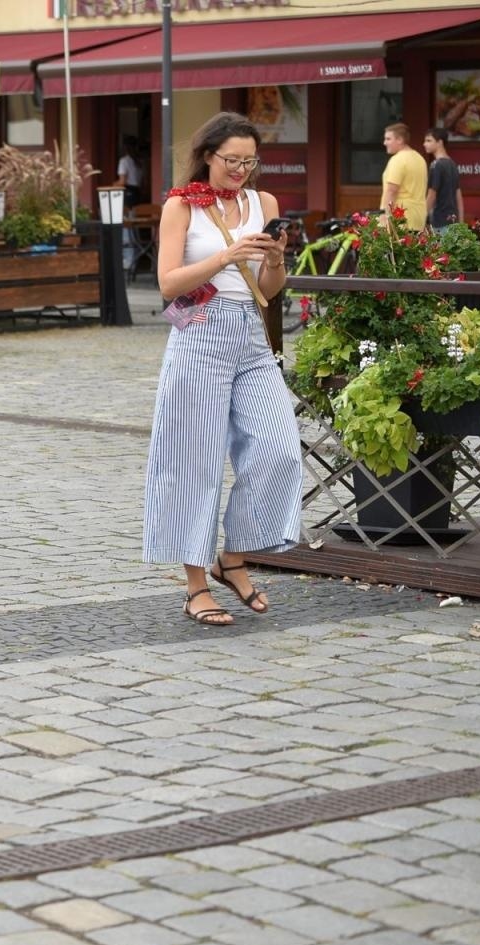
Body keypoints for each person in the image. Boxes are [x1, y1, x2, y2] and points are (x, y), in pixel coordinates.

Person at [146, 112, 301, 626]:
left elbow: (270, 289)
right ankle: (195, 587)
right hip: (199, 334)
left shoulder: (265, 204)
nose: (240, 169)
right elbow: (168, 284)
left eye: (248, 161)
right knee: (195, 463)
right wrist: (227, 254)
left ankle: (231, 557)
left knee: (277, 448)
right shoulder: (181, 205)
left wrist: (275, 258)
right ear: (208, 155)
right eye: (231, 160)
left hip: (252, 337)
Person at [380, 122, 428, 232]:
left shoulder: (398, 159)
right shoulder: (419, 158)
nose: (384, 143)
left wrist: (384, 215)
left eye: (388, 139)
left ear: (400, 140)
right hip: (418, 217)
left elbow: (391, 190)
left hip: (400, 217)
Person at [423, 126, 465, 231]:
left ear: (440, 142)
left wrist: (422, 218)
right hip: (453, 222)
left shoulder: (436, 165)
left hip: (439, 220)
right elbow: (458, 195)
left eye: (429, 140)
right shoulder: (452, 163)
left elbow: (431, 194)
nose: (424, 144)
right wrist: (461, 222)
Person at [116, 135, 144, 207]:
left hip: (129, 191)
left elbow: (122, 181)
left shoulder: (124, 161)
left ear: (125, 147)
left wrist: (113, 184)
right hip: (138, 191)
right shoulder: (140, 161)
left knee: (129, 214)